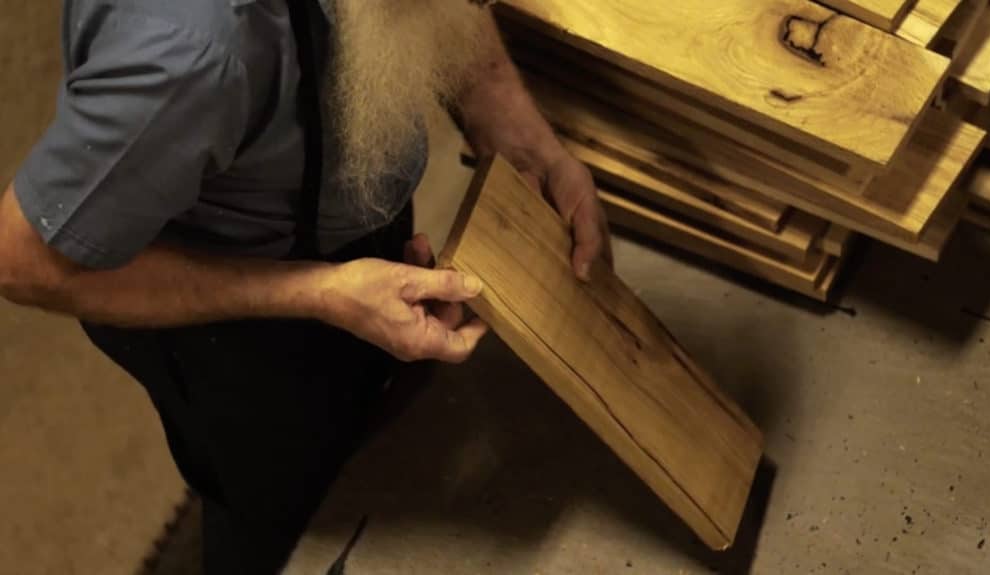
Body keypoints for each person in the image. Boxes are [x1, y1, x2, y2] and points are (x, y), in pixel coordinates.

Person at [0, 0, 611, 572]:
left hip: (320, 216)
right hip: (232, 325)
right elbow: (26, 261)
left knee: (379, 443)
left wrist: (527, 145)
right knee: (287, 523)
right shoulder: (188, 52)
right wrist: (319, 293)